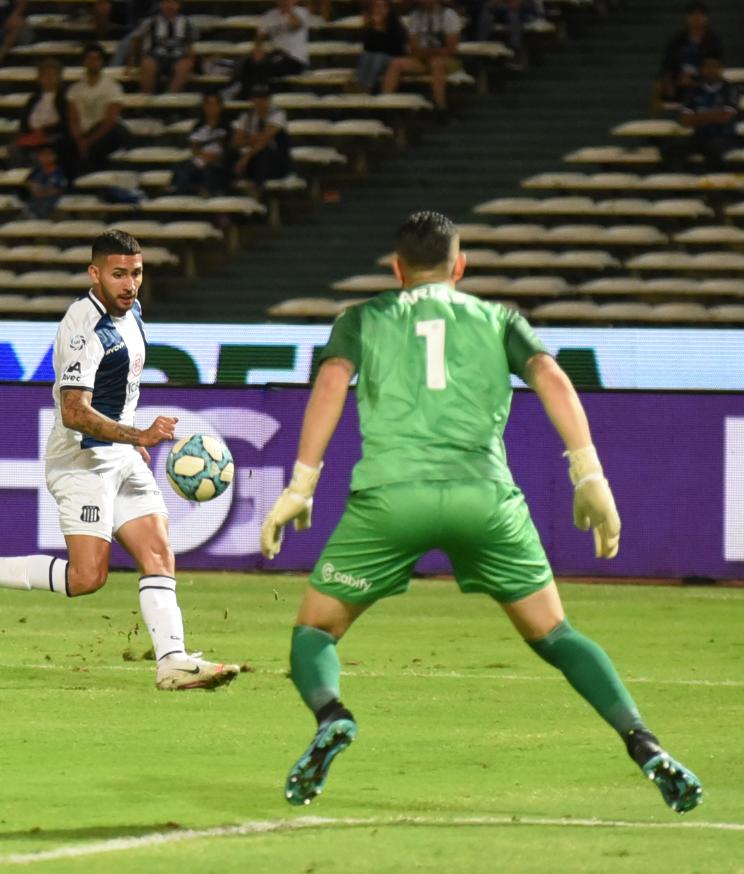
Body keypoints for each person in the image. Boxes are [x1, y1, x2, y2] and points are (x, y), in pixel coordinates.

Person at [259, 211, 703, 813]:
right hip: (485, 500)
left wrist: (302, 484)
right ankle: (643, 742)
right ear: (459, 265)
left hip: (393, 499)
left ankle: (332, 715)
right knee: (555, 633)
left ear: (396, 269)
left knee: (315, 631)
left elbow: (332, 381)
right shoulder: (499, 320)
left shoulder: (361, 319)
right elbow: (550, 375)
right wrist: (589, 473)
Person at [0, 229, 240, 692]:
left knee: (158, 551)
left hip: (120, 453)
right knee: (86, 576)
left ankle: (172, 660)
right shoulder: (82, 327)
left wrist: (130, 436)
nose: (129, 284)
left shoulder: (132, 311)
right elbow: (74, 411)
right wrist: (138, 433)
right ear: (95, 274)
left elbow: (121, 388)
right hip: (81, 459)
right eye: (118, 274)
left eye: (136, 273)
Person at [660, 55, 739, 172]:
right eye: (707, 66)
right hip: (699, 136)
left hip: (723, 136)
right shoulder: (694, 91)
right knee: (670, 148)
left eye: (714, 66)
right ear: (701, 70)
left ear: (720, 69)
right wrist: (714, 115)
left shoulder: (730, 89)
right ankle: (683, 181)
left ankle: (713, 185)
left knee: (714, 150)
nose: (710, 70)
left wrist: (698, 117)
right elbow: (685, 120)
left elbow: (725, 117)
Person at [382, 0, 463, 114]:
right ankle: (385, 105)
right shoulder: (416, 16)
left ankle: (441, 107)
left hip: (447, 60)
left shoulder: (449, 15)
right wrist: (425, 53)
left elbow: (451, 48)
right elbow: (413, 46)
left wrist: (429, 52)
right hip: (423, 59)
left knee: (436, 63)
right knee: (396, 63)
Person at [67, 43, 127, 178]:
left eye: (97, 58)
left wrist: (89, 141)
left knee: (102, 142)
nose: (93, 62)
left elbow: (110, 119)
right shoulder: (74, 90)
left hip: (106, 132)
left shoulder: (112, 87)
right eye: (89, 58)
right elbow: (73, 119)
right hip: (84, 132)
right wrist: (80, 140)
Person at [231, 0, 312, 98]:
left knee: (263, 66)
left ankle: (248, 95)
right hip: (276, 55)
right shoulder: (270, 15)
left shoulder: (301, 12)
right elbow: (260, 36)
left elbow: (296, 25)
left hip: (295, 58)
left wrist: (288, 10)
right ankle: (243, 92)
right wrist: (258, 50)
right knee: (248, 63)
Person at [654, 1, 724, 109]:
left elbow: (717, 66)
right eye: (693, 15)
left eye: (700, 15)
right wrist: (671, 80)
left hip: (703, 82)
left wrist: (696, 80)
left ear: (706, 18)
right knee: (662, 85)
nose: (696, 18)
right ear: (687, 18)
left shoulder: (714, 42)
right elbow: (666, 65)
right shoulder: (676, 40)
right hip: (679, 82)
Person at [9, 58, 73, 172]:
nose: (48, 78)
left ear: (59, 78)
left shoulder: (64, 98)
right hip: (32, 135)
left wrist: (44, 132)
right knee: (14, 148)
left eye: (52, 75)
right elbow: (24, 121)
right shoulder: (33, 99)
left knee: (43, 153)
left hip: (53, 136)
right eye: (45, 75)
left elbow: (65, 123)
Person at [169, 90, 232, 195]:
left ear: (220, 106)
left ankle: (206, 193)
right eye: (208, 104)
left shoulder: (228, 127)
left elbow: (227, 149)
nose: (211, 108)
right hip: (199, 161)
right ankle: (182, 195)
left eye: (215, 104)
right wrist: (202, 157)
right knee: (181, 168)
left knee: (212, 171)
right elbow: (194, 148)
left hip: (218, 163)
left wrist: (211, 159)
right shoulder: (198, 126)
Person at [130, 0, 198, 95]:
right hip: (154, 57)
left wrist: (191, 62)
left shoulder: (187, 23)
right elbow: (136, 39)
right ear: (161, 4)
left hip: (178, 58)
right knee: (147, 64)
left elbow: (190, 44)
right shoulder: (150, 22)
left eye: (173, 2)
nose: (170, 6)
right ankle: (148, 99)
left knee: (185, 65)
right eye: (167, 2)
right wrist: (134, 59)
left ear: (179, 5)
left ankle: (169, 97)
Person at [231, 84, 291, 192]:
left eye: (263, 98)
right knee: (230, 154)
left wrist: (247, 153)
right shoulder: (246, 116)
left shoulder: (278, 114)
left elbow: (265, 139)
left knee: (263, 154)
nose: (260, 101)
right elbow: (237, 142)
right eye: (257, 97)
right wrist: (255, 139)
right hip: (252, 157)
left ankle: (258, 191)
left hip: (275, 158)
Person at [355, 0, 407, 95]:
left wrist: (380, 29)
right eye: (377, 7)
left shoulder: (396, 26)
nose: (380, 10)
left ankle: (367, 88)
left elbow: (392, 48)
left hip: (393, 57)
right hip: (374, 58)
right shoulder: (371, 26)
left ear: (389, 9)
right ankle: (360, 84)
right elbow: (368, 47)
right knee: (366, 55)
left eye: (383, 7)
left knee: (378, 57)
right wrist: (375, 27)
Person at [476, 0, 544, 69]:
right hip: (498, 7)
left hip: (521, 9)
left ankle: (515, 51)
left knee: (513, 15)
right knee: (486, 14)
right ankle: (482, 51)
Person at [23, 143, 68, 218]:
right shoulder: (37, 170)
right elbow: (28, 182)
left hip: (52, 200)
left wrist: (44, 190)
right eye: (42, 155)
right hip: (36, 199)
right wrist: (33, 187)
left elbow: (59, 189)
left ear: (55, 156)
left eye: (48, 154)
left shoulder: (59, 172)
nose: (45, 157)